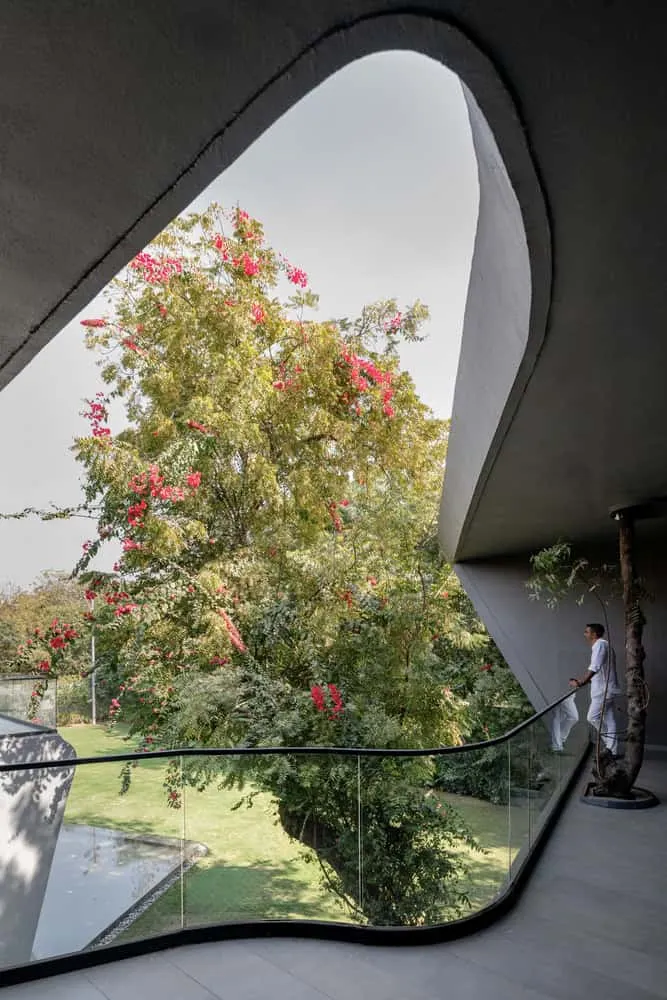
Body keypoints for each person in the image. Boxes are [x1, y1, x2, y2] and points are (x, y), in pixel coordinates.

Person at [569, 623, 621, 756]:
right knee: (609, 719)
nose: (584, 634)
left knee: (592, 717)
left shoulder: (600, 645)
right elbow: (601, 670)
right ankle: (613, 750)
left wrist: (581, 681)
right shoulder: (605, 645)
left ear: (594, 634)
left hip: (603, 691)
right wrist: (586, 681)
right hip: (607, 689)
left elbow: (595, 667)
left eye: (587, 632)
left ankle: (610, 746)